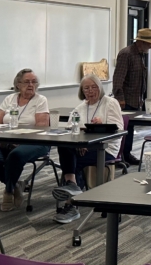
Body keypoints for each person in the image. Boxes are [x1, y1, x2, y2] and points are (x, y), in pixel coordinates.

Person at [51, 75, 124, 225]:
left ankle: (71, 203)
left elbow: (118, 129)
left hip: (105, 148)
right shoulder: (80, 108)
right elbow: (69, 129)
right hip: (83, 147)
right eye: (86, 88)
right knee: (64, 146)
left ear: (100, 88)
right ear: (82, 91)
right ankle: (73, 186)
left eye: (94, 87)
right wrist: (80, 143)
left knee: (72, 162)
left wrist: (100, 125)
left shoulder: (110, 103)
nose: (90, 91)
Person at [0, 69, 50, 211]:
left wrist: (21, 138)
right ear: (18, 84)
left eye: (34, 82)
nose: (31, 85)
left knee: (15, 155)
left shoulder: (40, 100)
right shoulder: (9, 99)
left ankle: (8, 191)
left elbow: (41, 127)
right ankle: (15, 184)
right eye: (27, 82)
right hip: (8, 140)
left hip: (36, 141)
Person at [113, 27, 151, 165]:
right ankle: (119, 156)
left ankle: (126, 154)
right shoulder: (126, 54)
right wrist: (120, 98)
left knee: (130, 129)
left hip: (136, 99)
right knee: (123, 130)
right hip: (125, 99)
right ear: (141, 42)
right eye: (149, 43)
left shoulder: (140, 54)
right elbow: (118, 79)